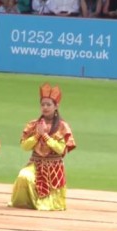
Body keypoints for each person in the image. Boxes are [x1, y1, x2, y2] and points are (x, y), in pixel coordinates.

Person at [9, 83, 76, 211]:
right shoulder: (34, 124)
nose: (45, 107)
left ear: (56, 106)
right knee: (24, 176)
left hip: (54, 167)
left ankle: (41, 203)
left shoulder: (62, 126)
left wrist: (44, 136)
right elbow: (24, 146)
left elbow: (60, 149)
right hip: (36, 164)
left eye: (48, 104)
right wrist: (36, 136)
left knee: (48, 204)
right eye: (43, 104)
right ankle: (27, 202)